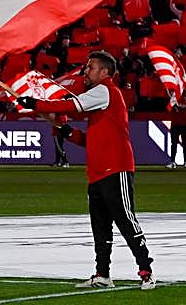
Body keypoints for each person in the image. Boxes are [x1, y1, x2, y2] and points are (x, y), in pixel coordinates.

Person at [17, 51, 156, 290]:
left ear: (105, 71)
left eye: (90, 67)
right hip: (99, 172)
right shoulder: (100, 99)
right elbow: (88, 140)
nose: (86, 71)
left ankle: (146, 271)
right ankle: (102, 275)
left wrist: (36, 104)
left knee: (125, 220)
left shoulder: (106, 90)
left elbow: (72, 105)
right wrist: (66, 131)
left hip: (116, 168)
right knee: (101, 227)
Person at [167, 88, 186, 168]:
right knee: (174, 143)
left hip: (184, 122)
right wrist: (175, 104)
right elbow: (171, 102)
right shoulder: (175, 93)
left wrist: (178, 104)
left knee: (185, 143)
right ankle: (172, 162)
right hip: (175, 122)